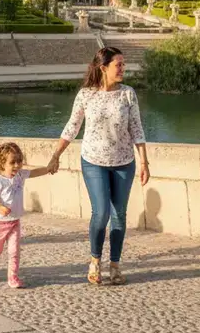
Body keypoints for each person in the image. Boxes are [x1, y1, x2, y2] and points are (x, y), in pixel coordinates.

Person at [46, 47, 150, 285]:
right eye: (119, 65)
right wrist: (56, 155)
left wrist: (144, 161)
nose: (123, 69)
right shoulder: (86, 95)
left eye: (124, 64)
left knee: (119, 216)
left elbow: (137, 128)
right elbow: (72, 126)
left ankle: (115, 265)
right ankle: (95, 260)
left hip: (124, 162)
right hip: (93, 161)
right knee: (101, 212)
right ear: (104, 68)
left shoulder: (128, 94)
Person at [0, 142, 52, 288]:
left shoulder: (20, 175)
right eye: (12, 162)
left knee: (14, 250)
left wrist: (49, 168)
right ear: (2, 163)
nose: (17, 165)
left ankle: (13, 277)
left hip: (14, 221)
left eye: (19, 161)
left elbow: (35, 172)